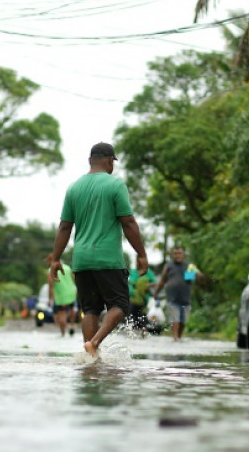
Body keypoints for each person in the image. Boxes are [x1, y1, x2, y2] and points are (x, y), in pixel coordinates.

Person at [48, 142, 149, 359]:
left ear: (90, 161)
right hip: (107, 259)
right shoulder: (115, 185)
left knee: (91, 309)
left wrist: (55, 259)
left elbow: (64, 226)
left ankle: (91, 356)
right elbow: (128, 222)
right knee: (120, 305)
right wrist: (141, 254)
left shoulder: (74, 188)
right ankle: (94, 343)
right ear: (109, 160)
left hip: (81, 260)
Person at [155, 246, 205, 341]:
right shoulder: (168, 266)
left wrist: (196, 274)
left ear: (183, 255)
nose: (177, 255)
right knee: (175, 319)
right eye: (175, 253)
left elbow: (200, 276)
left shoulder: (189, 266)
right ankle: (175, 338)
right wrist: (156, 292)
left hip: (185, 299)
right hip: (172, 298)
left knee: (183, 322)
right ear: (172, 255)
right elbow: (162, 281)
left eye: (179, 253)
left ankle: (178, 338)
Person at [47, 255, 78, 336]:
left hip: (61, 296)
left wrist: (50, 299)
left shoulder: (51, 270)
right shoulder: (67, 268)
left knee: (62, 314)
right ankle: (72, 325)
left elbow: (51, 286)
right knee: (72, 309)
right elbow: (74, 279)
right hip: (71, 293)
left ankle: (63, 333)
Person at [128, 265, 156, 333]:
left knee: (140, 314)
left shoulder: (148, 272)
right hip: (132, 297)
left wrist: (146, 286)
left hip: (143, 298)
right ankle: (133, 330)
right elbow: (129, 282)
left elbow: (154, 282)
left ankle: (143, 330)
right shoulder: (133, 271)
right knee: (133, 314)